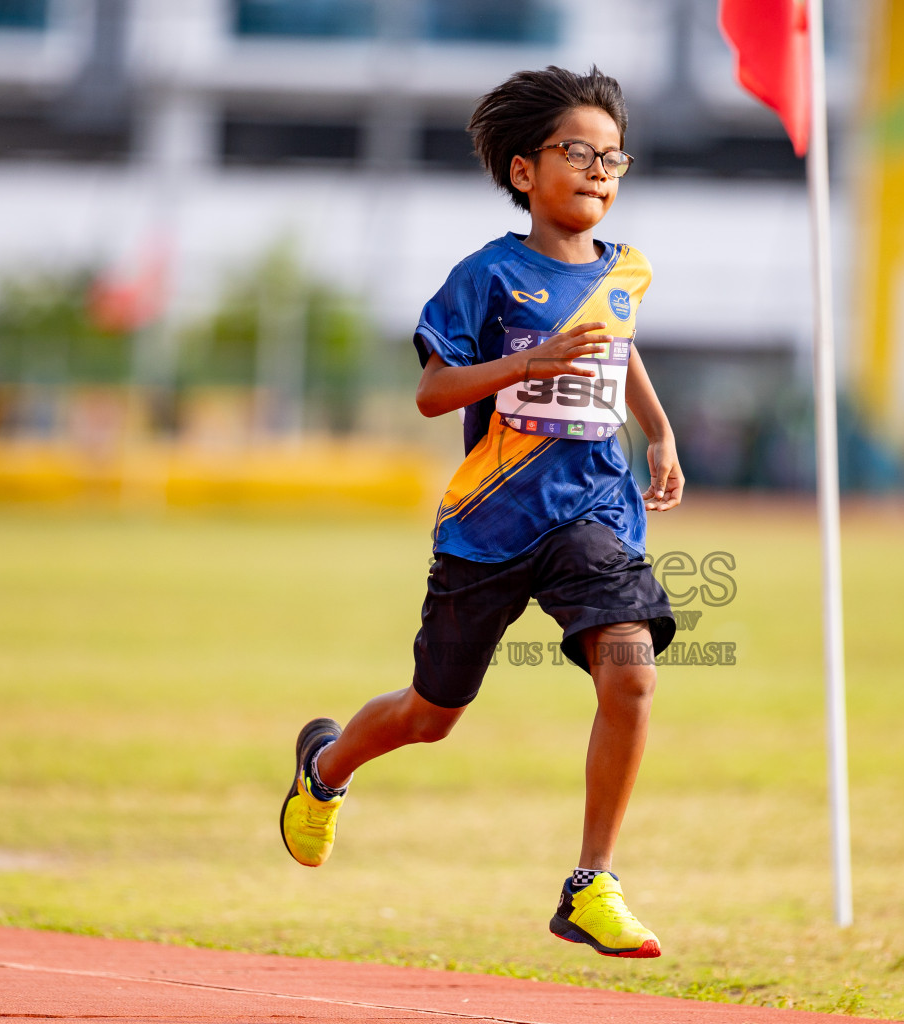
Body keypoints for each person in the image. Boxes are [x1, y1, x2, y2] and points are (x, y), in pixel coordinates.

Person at [279, 66, 683, 959]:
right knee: (432, 714)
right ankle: (326, 768)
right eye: (577, 151)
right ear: (522, 170)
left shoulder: (626, 273)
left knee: (632, 672)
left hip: (593, 513)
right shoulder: (488, 274)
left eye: (614, 156)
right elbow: (432, 393)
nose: (599, 168)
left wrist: (657, 431)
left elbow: (620, 349)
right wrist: (527, 367)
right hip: (491, 522)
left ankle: (593, 883)